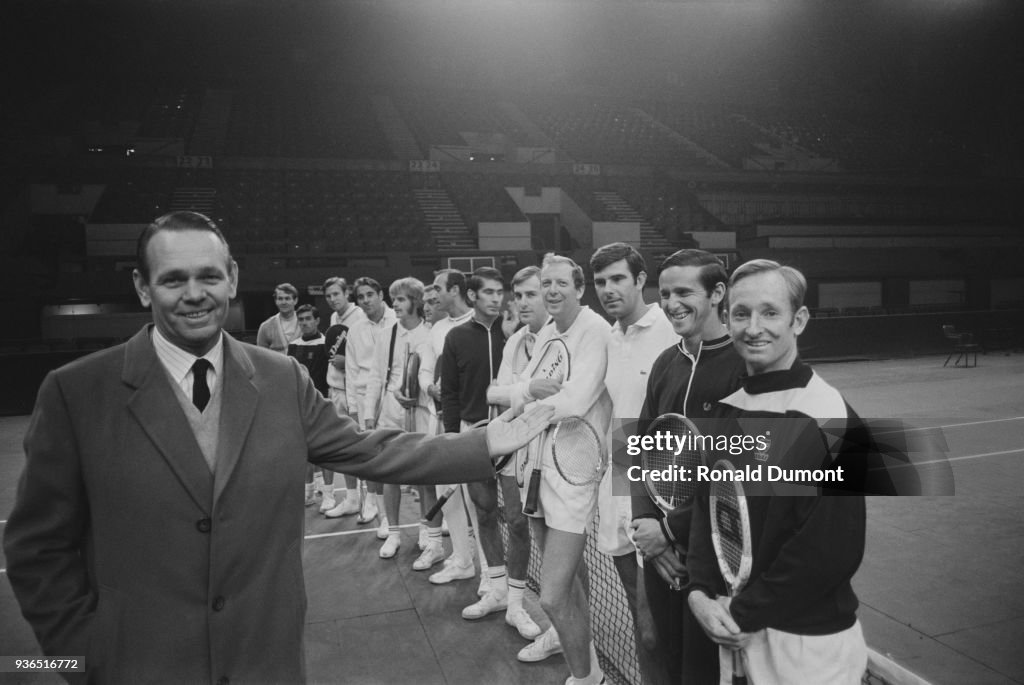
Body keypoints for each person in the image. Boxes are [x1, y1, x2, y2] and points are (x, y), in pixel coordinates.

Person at [2, 211, 552, 685]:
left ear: (233, 278)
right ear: (142, 287)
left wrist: (481, 445)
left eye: (209, 276)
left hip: (265, 664)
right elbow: (36, 550)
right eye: (173, 279)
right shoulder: (76, 394)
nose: (195, 293)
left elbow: (372, 451)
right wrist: (86, 660)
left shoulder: (281, 379)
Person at [686, 259, 875, 685]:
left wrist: (739, 612)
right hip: (739, 633)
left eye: (770, 312)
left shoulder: (829, 416)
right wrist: (698, 591)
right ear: (726, 319)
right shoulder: (729, 408)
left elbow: (828, 553)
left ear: (799, 320)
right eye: (741, 313)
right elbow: (708, 509)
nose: (754, 327)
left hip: (807, 647)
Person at [629, 248, 747, 685]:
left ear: (718, 293)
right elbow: (640, 449)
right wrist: (645, 523)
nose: (671, 302)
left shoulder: (745, 366)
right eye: (665, 292)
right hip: (661, 555)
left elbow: (741, 478)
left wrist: (672, 531)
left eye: (684, 292)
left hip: (716, 557)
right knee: (668, 656)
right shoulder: (666, 363)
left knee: (709, 672)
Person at [505, 253, 613, 685]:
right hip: (534, 470)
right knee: (570, 588)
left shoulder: (596, 331)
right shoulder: (548, 330)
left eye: (559, 284)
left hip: (573, 476)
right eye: (544, 283)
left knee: (551, 595)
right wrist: (528, 392)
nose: (551, 291)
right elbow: (518, 391)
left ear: (579, 288)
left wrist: (528, 397)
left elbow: (571, 401)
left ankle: (589, 678)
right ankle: (588, 670)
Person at [589, 243, 678, 685]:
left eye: (618, 278)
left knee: (655, 628)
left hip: (657, 494)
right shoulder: (609, 335)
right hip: (618, 483)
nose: (608, 289)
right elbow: (613, 412)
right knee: (633, 609)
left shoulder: (671, 330)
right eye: (601, 282)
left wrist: (667, 515)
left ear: (642, 280)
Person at [440, 267, 542, 640]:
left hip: (513, 435)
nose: (497, 299)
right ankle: (496, 590)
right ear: (472, 297)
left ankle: (517, 603)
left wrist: (515, 334)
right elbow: (449, 392)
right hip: (472, 435)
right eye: (488, 292)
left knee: (516, 520)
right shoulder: (455, 337)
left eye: (501, 292)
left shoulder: (517, 336)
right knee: (483, 513)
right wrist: (453, 440)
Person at [363, 277, 444, 568]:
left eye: (400, 299)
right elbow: (375, 376)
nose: (394, 304)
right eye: (393, 299)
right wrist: (368, 415)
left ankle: (426, 530)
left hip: (422, 411)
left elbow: (431, 376)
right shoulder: (387, 334)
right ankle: (393, 533)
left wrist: (423, 398)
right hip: (390, 411)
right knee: (390, 474)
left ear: (415, 301)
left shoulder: (431, 334)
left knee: (425, 476)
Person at [424, 268, 482, 589]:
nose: (433, 295)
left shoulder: (482, 321)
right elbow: (432, 369)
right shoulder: (436, 329)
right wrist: (431, 387)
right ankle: (462, 559)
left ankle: (489, 570)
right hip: (444, 419)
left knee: (478, 500)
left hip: (474, 423)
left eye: (438, 288)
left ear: (456, 290)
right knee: (445, 492)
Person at [345, 276, 397, 531]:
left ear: (380, 295)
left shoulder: (397, 320)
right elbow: (352, 371)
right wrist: (355, 409)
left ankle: (428, 525)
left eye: (369, 295)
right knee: (375, 461)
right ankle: (383, 516)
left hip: (395, 396)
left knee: (406, 457)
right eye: (361, 297)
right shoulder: (354, 329)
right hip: (367, 398)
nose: (365, 301)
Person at [321, 276, 368, 518]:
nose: (332, 299)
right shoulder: (333, 319)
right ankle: (351, 498)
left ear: (346, 293)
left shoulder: (360, 316)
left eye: (336, 294)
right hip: (337, 390)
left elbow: (369, 356)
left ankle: (368, 501)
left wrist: (346, 361)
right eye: (328, 296)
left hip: (357, 393)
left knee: (361, 446)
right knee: (343, 445)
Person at [286, 304, 333, 508]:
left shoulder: (325, 344)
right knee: (302, 451)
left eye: (308, 319)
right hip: (299, 406)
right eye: (301, 319)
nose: (304, 322)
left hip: (322, 405)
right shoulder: (293, 346)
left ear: (317, 320)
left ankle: (329, 495)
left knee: (323, 450)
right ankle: (308, 492)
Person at [256, 282, 301, 352]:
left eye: (287, 298)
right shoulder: (265, 327)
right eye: (280, 299)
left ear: (295, 301)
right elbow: (261, 356)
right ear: (275, 301)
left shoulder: (305, 322)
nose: (284, 302)